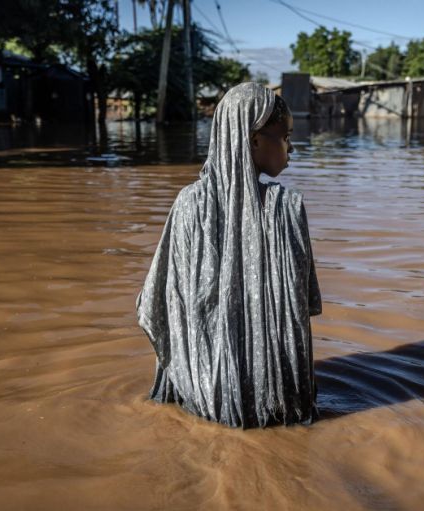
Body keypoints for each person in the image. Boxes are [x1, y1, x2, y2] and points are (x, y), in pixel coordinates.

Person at [135, 82, 322, 429]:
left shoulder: (188, 206)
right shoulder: (286, 207)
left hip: (202, 397)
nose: (292, 147)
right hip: (278, 404)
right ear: (253, 140)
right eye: (285, 136)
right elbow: (303, 308)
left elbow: (157, 306)